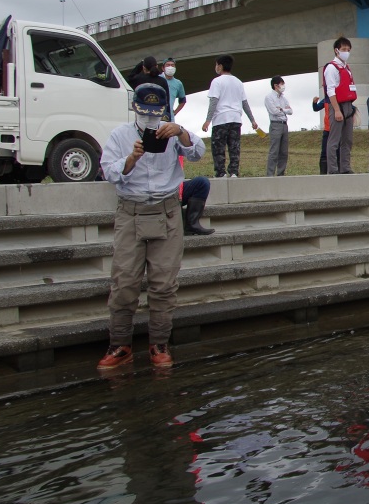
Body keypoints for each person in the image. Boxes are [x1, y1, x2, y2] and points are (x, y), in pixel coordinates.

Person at [97, 82, 205, 370]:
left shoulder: (171, 132)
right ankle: (119, 344)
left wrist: (180, 131)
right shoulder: (119, 135)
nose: (150, 118)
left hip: (167, 211)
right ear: (135, 108)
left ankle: (159, 343)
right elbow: (107, 170)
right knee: (124, 282)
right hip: (130, 211)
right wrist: (131, 159)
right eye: (145, 112)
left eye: (156, 113)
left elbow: (198, 152)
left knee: (164, 283)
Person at [201, 54, 260, 178]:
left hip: (221, 119)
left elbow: (214, 101)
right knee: (234, 148)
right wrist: (252, 120)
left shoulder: (216, 81)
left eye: (216, 65)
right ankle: (233, 172)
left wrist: (207, 120)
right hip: (236, 119)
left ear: (220, 66)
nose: (216, 67)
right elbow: (245, 103)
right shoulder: (238, 82)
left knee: (218, 148)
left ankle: (221, 173)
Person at [323, 37, 358, 174]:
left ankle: (345, 168)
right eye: (344, 49)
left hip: (348, 106)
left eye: (348, 50)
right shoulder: (331, 68)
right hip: (337, 105)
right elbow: (330, 90)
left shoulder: (346, 67)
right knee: (334, 140)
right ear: (336, 50)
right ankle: (332, 170)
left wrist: (352, 111)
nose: (346, 52)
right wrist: (337, 110)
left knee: (347, 140)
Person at [263, 75, 292, 176]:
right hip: (275, 125)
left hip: (284, 124)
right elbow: (274, 111)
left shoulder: (283, 98)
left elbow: (290, 111)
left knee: (284, 152)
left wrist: (282, 109)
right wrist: (283, 110)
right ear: (276, 85)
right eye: (282, 84)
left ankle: (281, 173)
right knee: (274, 151)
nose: (283, 86)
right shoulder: (269, 97)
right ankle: (270, 174)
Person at [162, 58, 187, 122]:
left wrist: (175, 112)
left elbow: (183, 100)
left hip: (170, 118)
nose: (170, 67)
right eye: (168, 65)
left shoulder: (178, 83)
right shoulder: (157, 79)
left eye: (172, 65)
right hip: (156, 115)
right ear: (163, 68)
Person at [312, 93, 330, 174]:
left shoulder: (339, 98)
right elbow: (316, 108)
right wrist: (314, 103)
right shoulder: (326, 100)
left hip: (336, 129)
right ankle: (323, 173)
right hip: (327, 129)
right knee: (324, 152)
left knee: (337, 151)